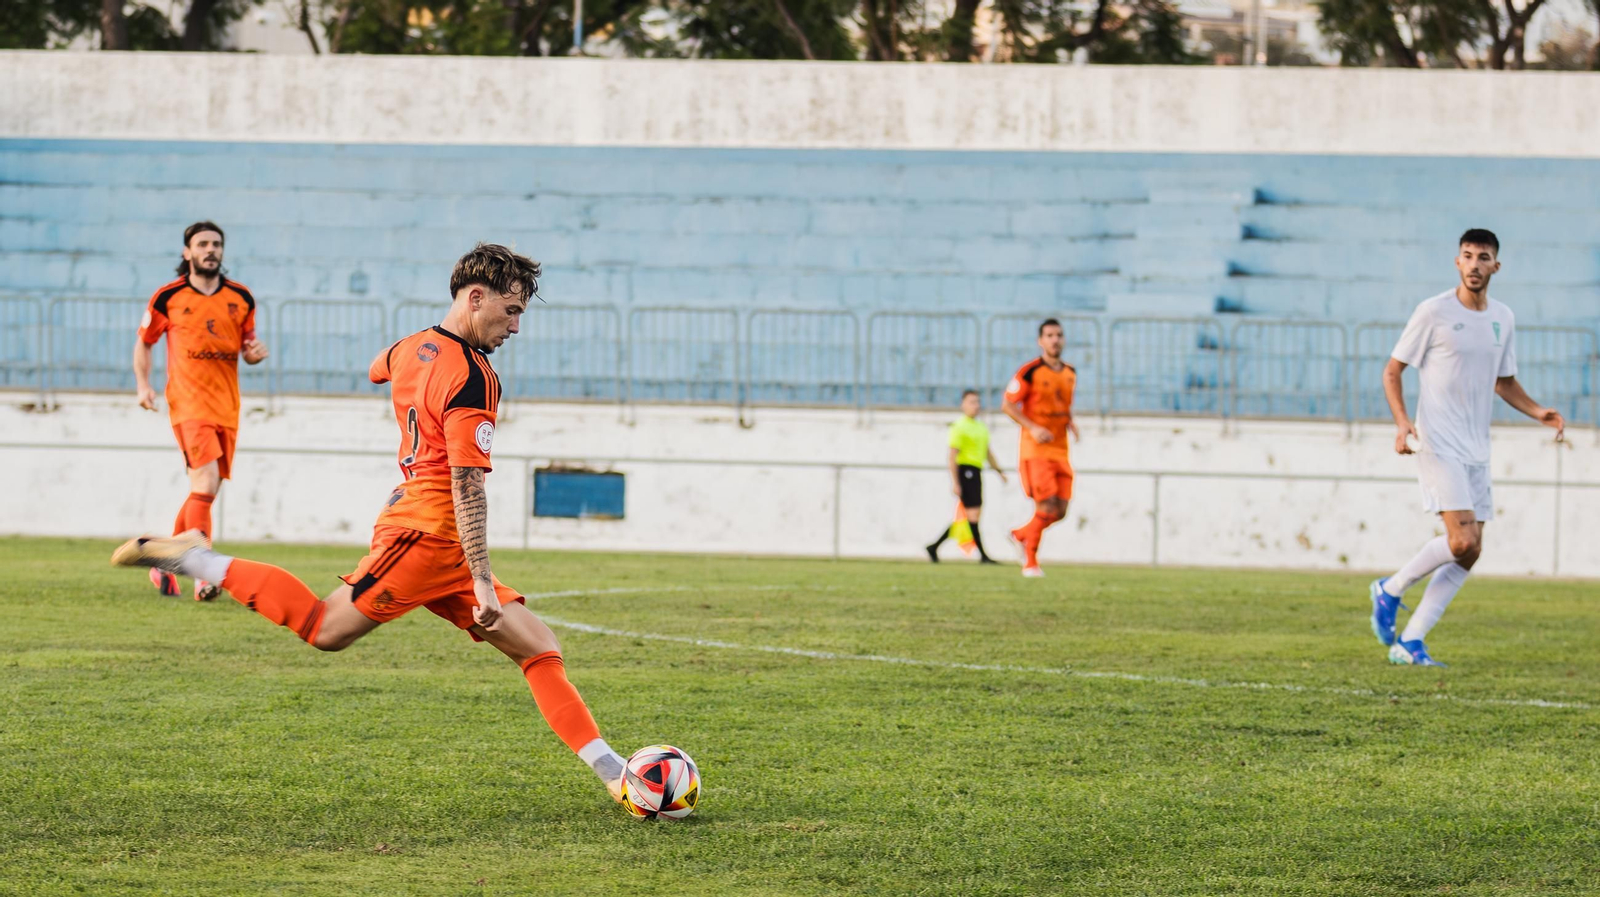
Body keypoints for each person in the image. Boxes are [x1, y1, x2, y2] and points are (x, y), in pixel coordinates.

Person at [112, 243, 630, 804]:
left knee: (539, 648)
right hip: (428, 535)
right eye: (512, 311)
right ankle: (194, 556)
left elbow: (375, 367)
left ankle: (616, 773)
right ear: (475, 298)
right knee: (323, 628)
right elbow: (468, 486)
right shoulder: (476, 377)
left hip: (433, 532)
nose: (516, 326)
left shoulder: (412, 347)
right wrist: (483, 581)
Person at [1369, 229, 1565, 667]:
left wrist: (1538, 412)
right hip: (1437, 441)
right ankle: (1391, 588)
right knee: (1461, 542)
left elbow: (1503, 381)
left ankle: (1411, 640)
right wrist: (1403, 423)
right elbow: (1391, 372)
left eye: (1484, 258)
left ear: (1496, 266)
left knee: (1472, 549)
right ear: (1456, 262)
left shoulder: (1503, 317)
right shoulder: (1433, 312)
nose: (1475, 265)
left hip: (1477, 446)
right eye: (1468, 256)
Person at [133, 221, 269, 600]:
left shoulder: (241, 298)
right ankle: (203, 571)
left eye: (216, 244)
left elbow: (249, 345)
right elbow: (143, 343)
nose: (211, 249)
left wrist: (254, 355)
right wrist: (144, 385)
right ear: (187, 252)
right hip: (188, 404)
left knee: (206, 490)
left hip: (227, 406)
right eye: (202, 244)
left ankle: (163, 560)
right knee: (205, 483)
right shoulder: (168, 297)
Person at [1002, 319, 1079, 578]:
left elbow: (1062, 404)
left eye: (1059, 334)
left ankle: (1021, 534)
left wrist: (1070, 422)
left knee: (1061, 510)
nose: (1055, 339)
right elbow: (1008, 405)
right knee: (1045, 507)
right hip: (1035, 451)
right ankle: (1030, 562)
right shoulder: (1029, 371)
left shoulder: (1070, 372)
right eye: (1049, 335)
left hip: (1060, 450)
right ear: (1041, 341)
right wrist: (1033, 427)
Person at [926, 389, 1007, 564]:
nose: (976, 406)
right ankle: (983, 556)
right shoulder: (959, 426)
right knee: (973, 515)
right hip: (965, 471)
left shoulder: (981, 427)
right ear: (963, 405)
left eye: (977, 402)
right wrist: (955, 482)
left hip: (976, 472)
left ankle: (934, 546)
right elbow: (952, 455)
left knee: (970, 517)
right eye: (971, 402)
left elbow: (987, 453)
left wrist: (999, 471)